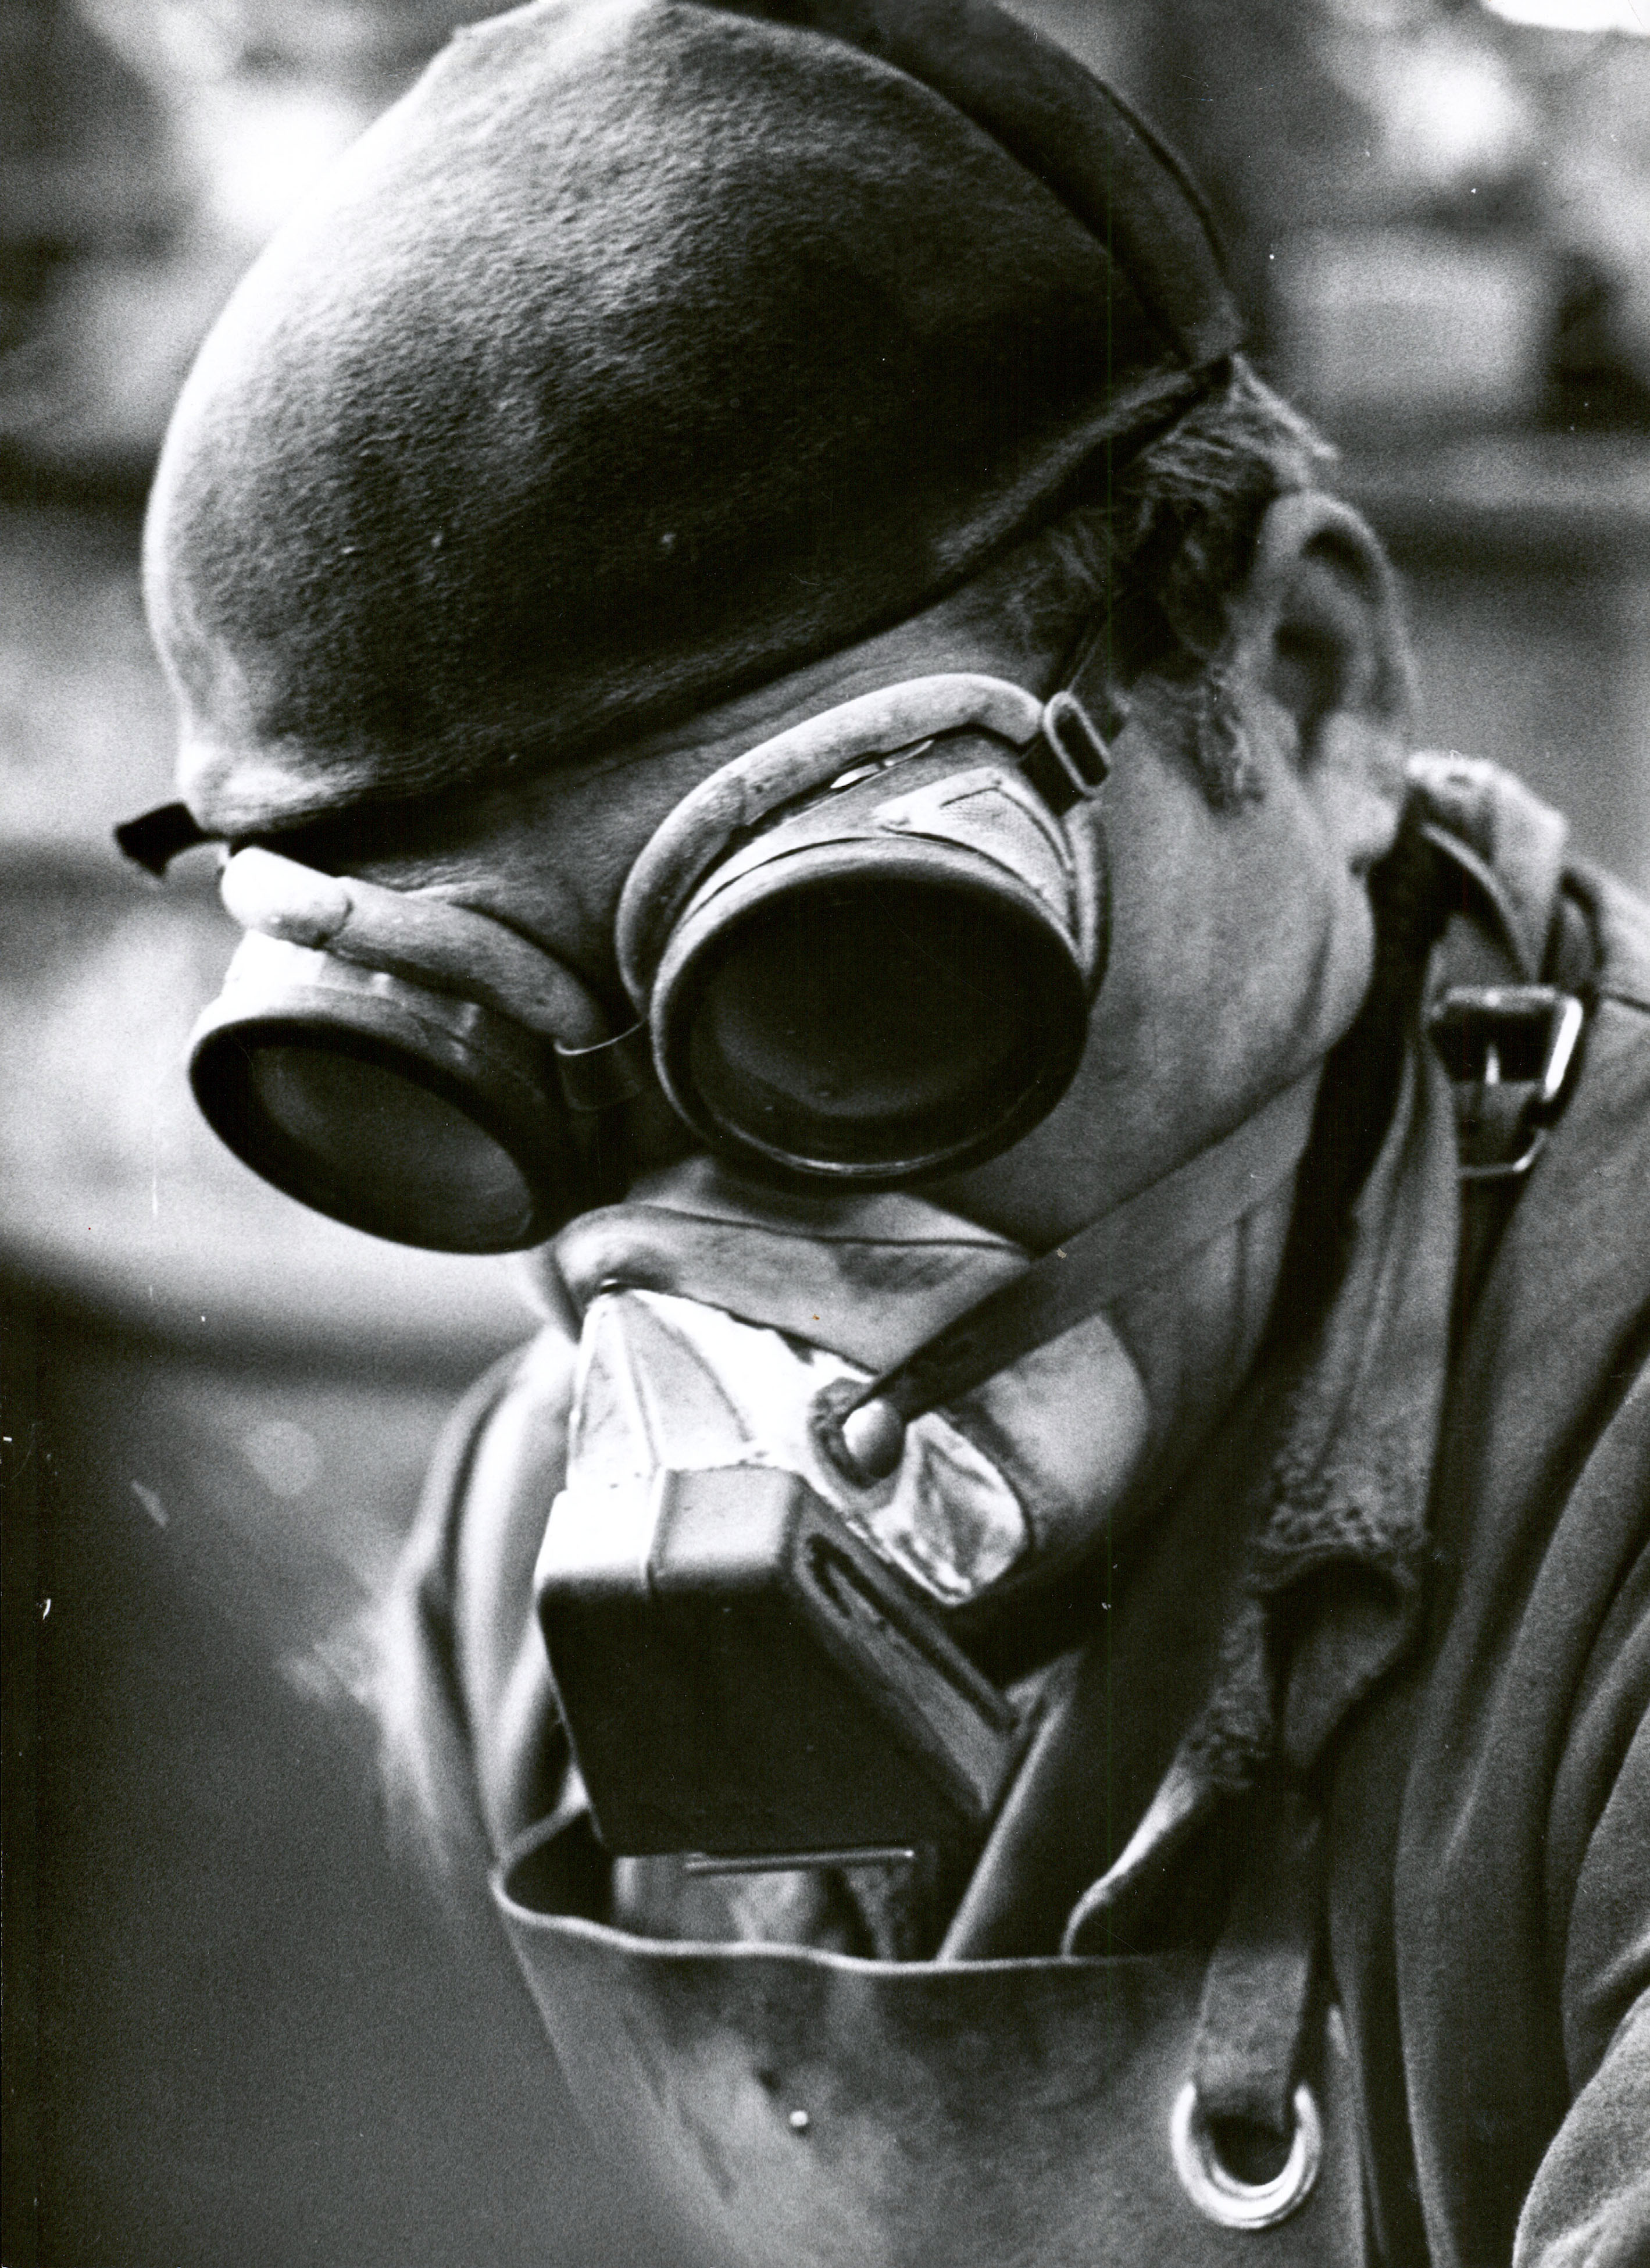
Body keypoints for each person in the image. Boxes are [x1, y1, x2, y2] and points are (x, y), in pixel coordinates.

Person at [122, 2, 1649, 2260]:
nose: (701, 1258)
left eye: (855, 983)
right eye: (477, 1052)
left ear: (1306, 682)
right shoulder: (527, 1567)